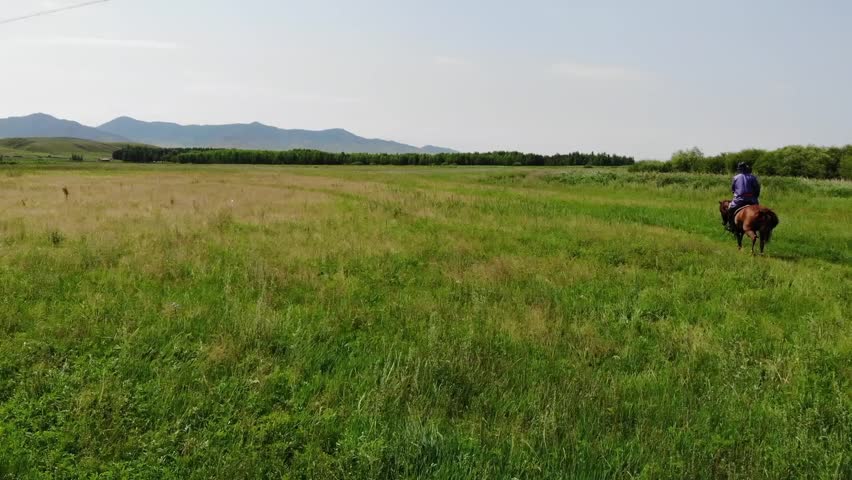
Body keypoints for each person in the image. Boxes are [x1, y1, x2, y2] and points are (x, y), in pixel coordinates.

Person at [726, 162, 761, 230]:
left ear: (739, 169)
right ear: (746, 169)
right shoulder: (753, 177)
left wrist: (736, 193)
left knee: (730, 210)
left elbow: (733, 189)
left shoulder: (735, 177)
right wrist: (756, 196)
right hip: (752, 200)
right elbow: (757, 188)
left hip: (739, 200)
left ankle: (730, 225)